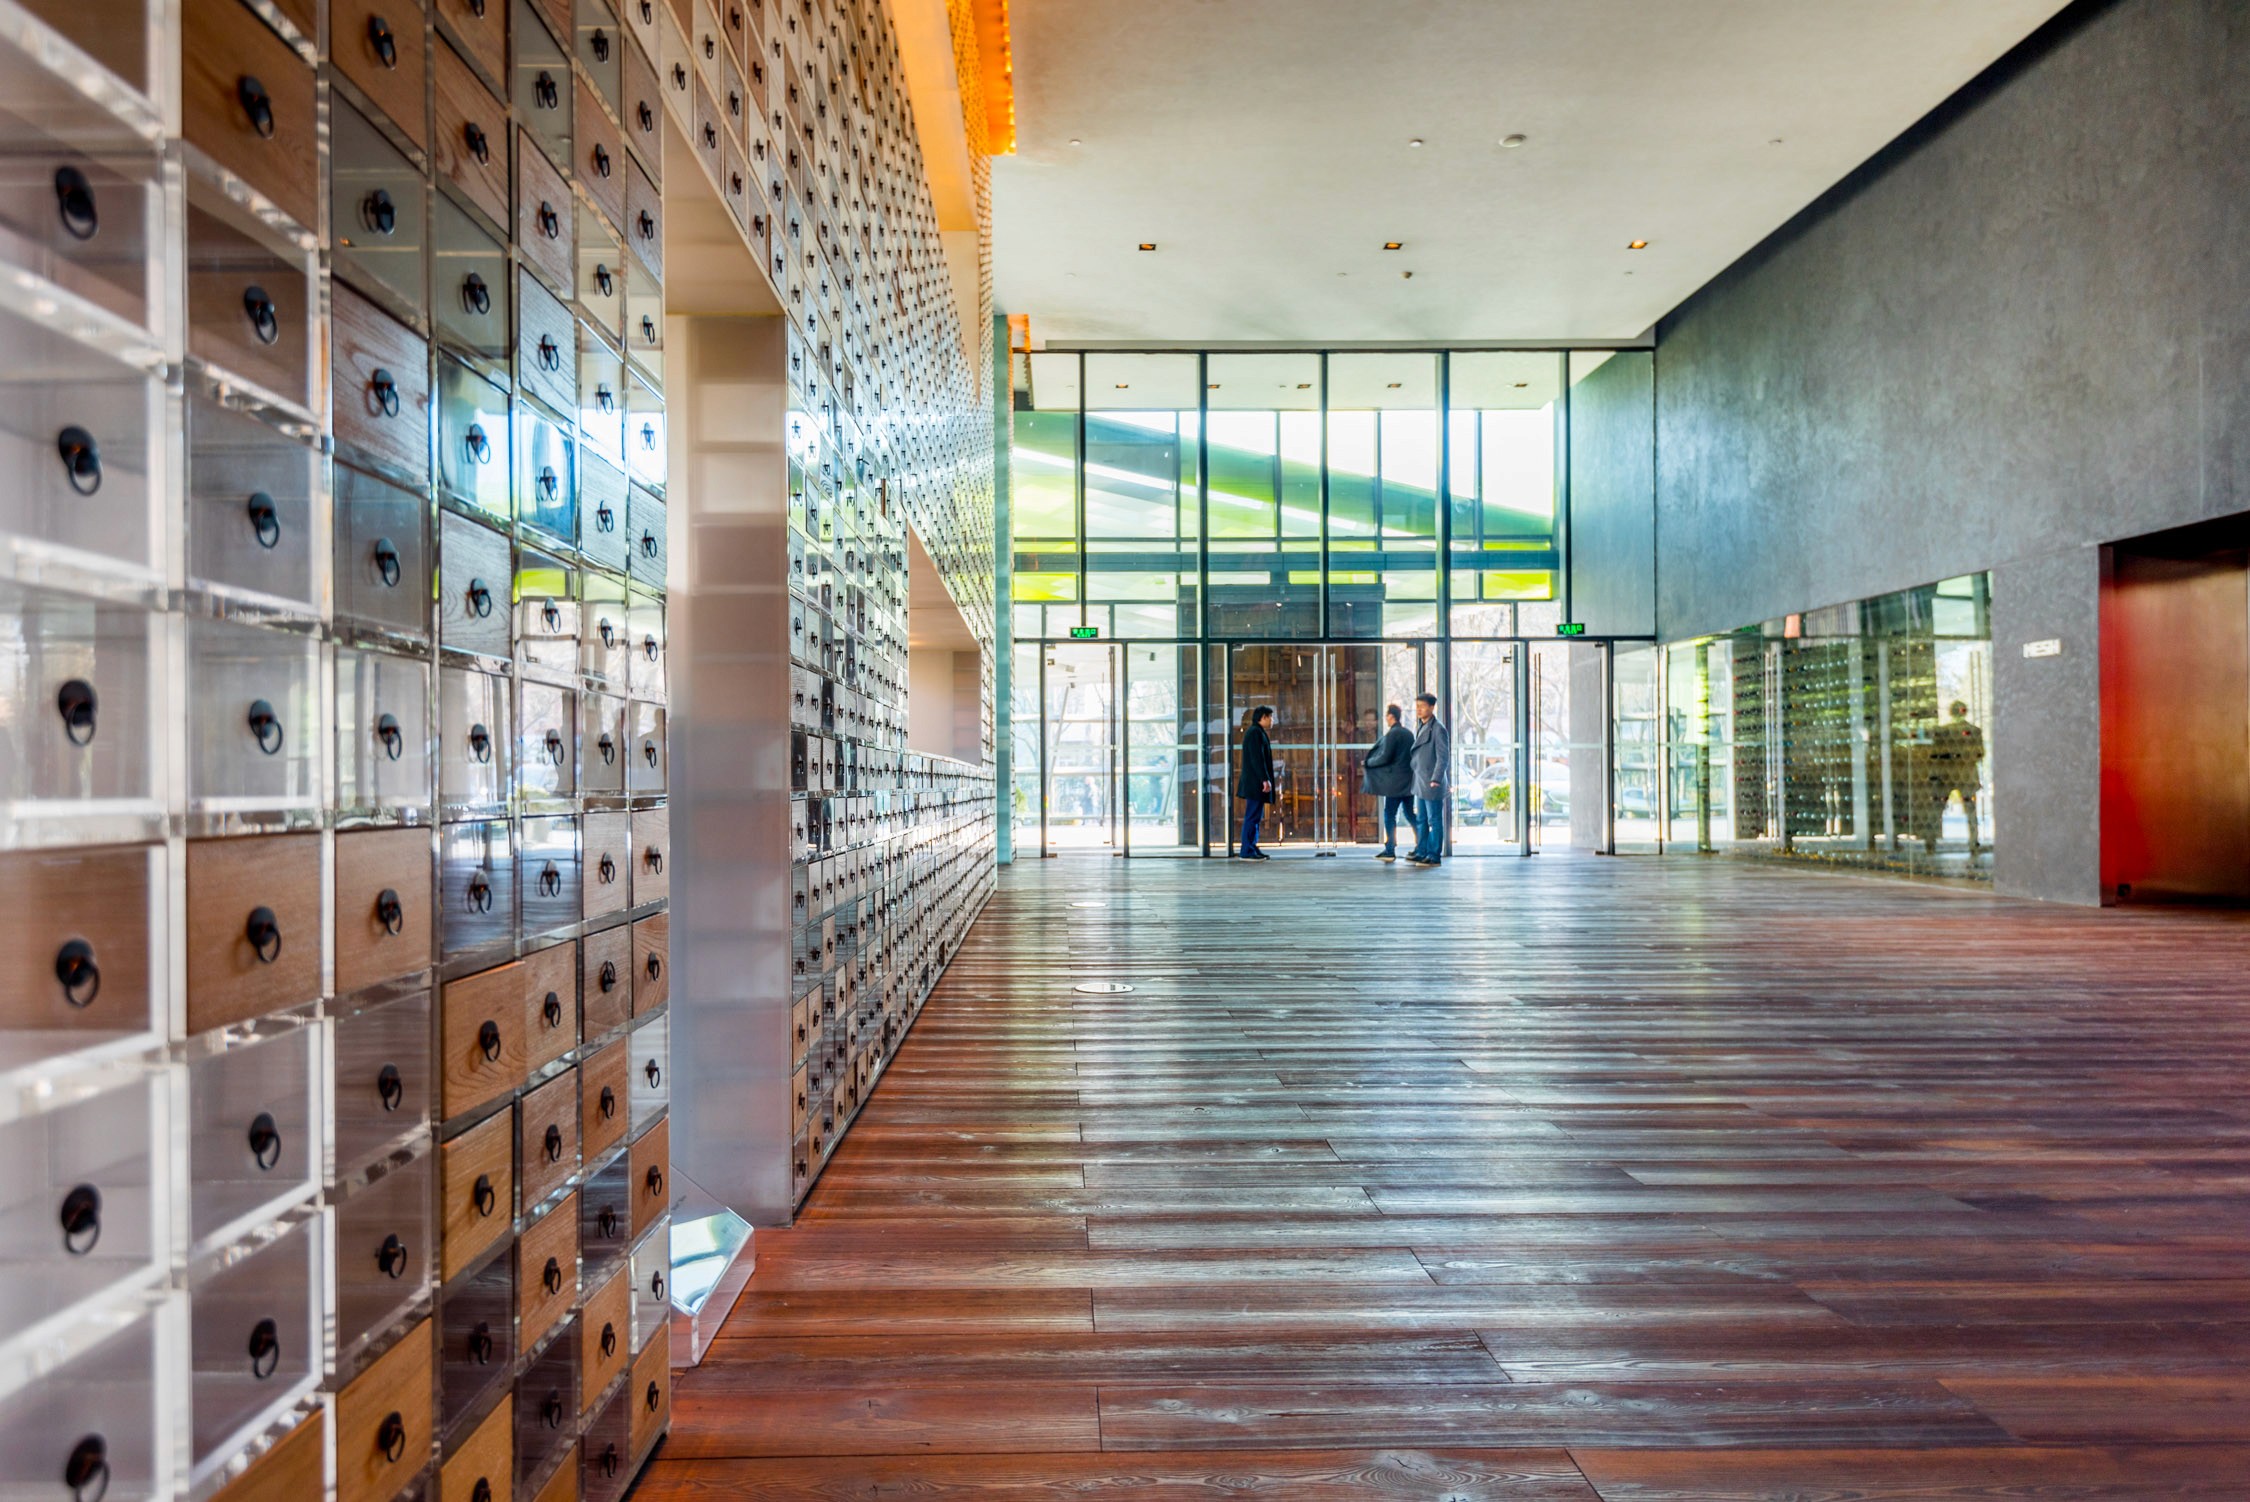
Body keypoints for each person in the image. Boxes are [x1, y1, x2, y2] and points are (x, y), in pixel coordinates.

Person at [1927, 700, 1987, 855]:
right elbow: (1980, 753)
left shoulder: (1943, 732)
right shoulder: (1974, 731)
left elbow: (1935, 754)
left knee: (1938, 810)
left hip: (1946, 775)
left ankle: (1930, 842)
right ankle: (1973, 842)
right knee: (1971, 811)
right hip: (1966, 775)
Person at [1362, 703, 1418, 861]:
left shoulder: (1393, 734)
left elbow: (1385, 757)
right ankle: (1422, 845)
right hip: (1408, 781)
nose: (1386, 719)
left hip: (1395, 783)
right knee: (1409, 813)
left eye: (1387, 716)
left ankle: (1390, 849)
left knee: (1389, 814)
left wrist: (1368, 762)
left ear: (1391, 716)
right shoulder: (1408, 734)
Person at [1406, 692, 1450, 865]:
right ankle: (1422, 850)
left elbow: (1443, 757)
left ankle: (1434, 855)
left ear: (1432, 707)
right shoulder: (1422, 726)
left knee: (1434, 820)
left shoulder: (1438, 729)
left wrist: (1436, 779)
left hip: (1431, 782)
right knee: (1421, 819)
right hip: (1421, 781)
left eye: (1422, 706)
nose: (1419, 710)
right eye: (1417, 706)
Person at [1235, 705, 1276, 860]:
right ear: (1263, 717)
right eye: (1270, 717)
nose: (1272, 720)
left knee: (1255, 816)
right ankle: (1247, 850)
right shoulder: (1254, 733)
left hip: (1255, 782)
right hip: (1255, 783)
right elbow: (1257, 759)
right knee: (1252, 816)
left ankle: (1251, 846)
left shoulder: (1257, 732)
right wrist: (1264, 779)